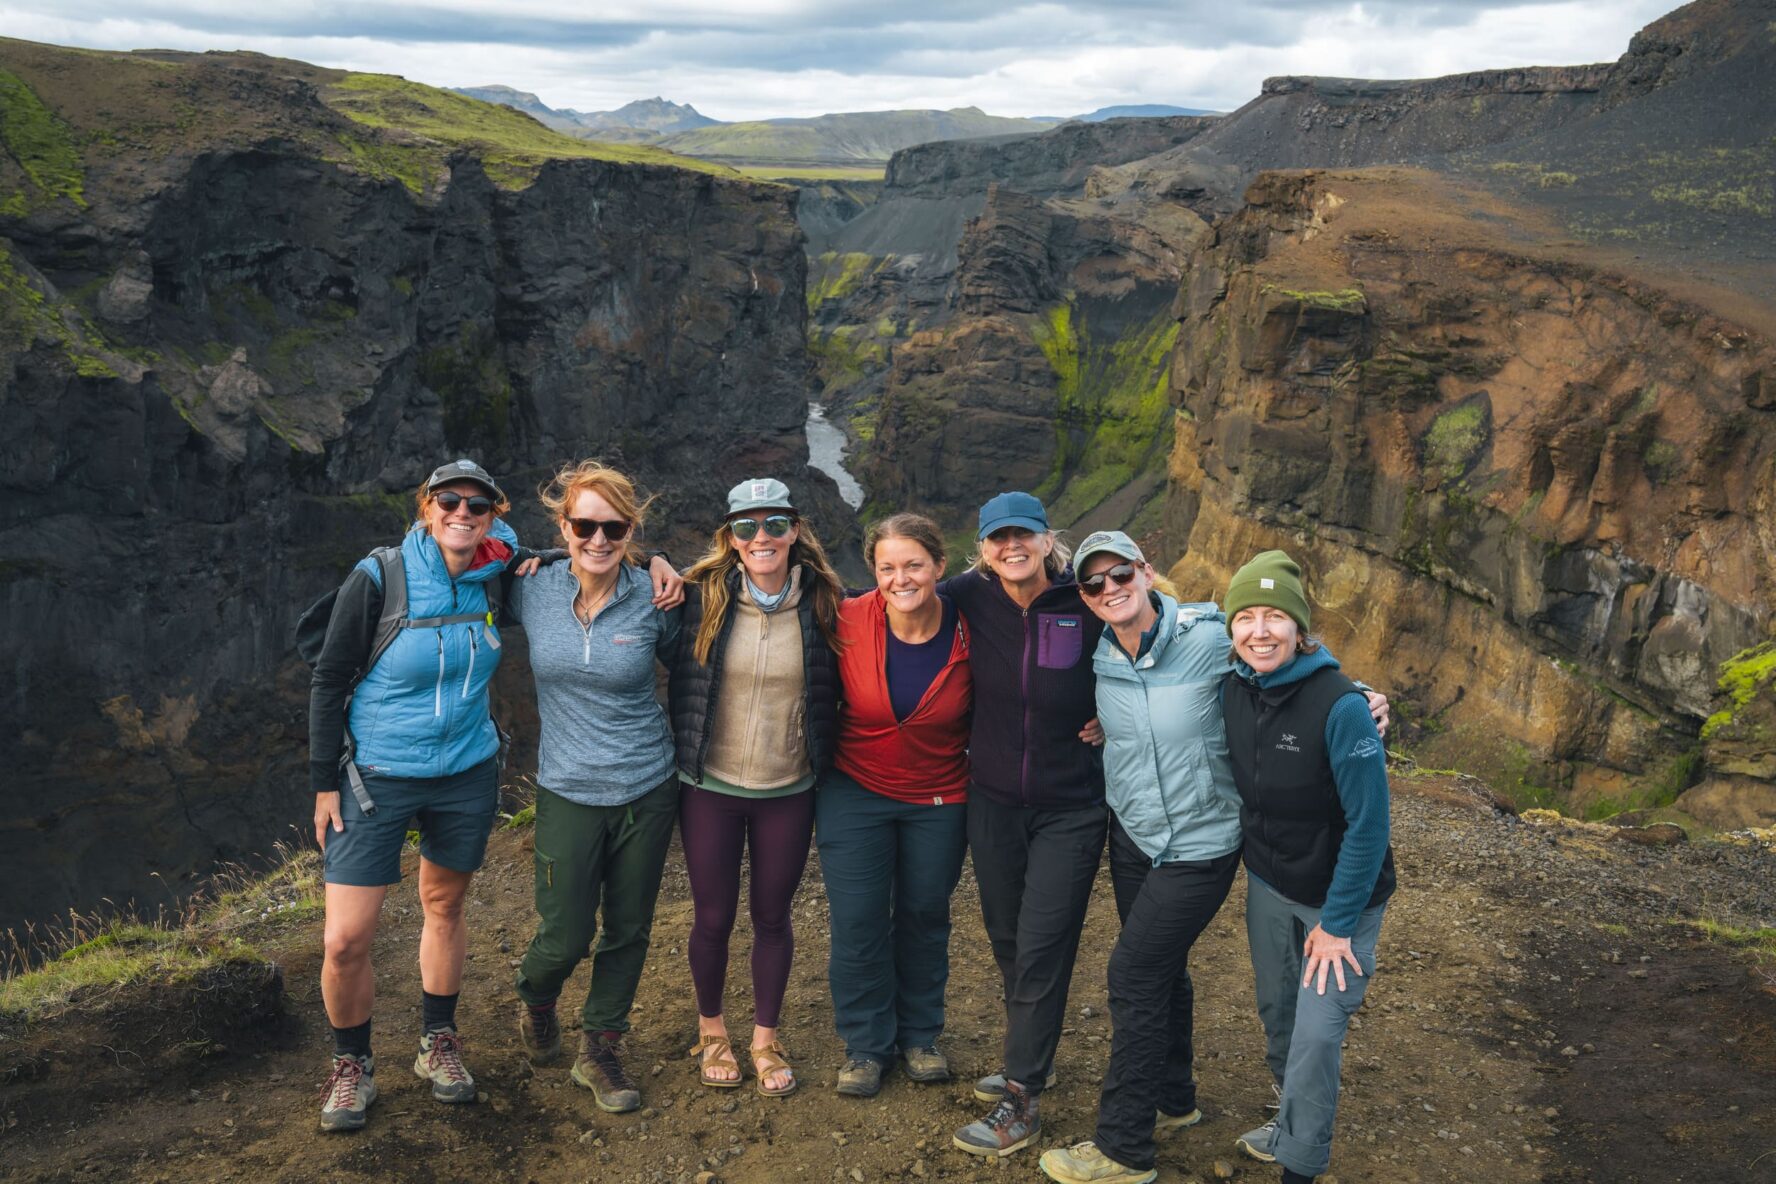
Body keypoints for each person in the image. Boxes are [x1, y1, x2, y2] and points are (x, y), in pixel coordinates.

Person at [1037, 535, 1390, 1184]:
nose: (1109, 589)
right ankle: (1173, 1101)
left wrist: (1360, 695)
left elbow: (1293, 665)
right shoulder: (1097, 651)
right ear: (1084, 597)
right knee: (1165, 974)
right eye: (1093, 584)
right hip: (1137, 842)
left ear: (1145, 573)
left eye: (1120, 574)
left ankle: (1123, 1149)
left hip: (1201, 850)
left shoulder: (1205, 637)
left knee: (1133, 975)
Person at [306, 459, 543, 1132]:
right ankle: (352, 1064)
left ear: (494, 515)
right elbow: (328, 678)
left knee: (445, 903)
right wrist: (324, 782)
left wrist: (663, 564)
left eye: (477, 504)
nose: (462, 513)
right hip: (375, 775)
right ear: (426, 507)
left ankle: (437, 1041)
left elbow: (573, 556)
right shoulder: (380, 575)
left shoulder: (496, 572)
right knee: (346, 938)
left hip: (465, 771)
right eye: (449, 501)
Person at [509, 460, 686, 1114]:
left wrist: (664, 563)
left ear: (632, 529)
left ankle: (600, 1047)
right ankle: (536, 996)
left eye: (616, 527)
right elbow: (468, 558)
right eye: (585, 525)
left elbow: (695, 667)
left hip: (646, 785)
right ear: (564, 527)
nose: (600, 539)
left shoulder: (655, 597)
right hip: (567, 789)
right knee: (565, 933)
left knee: (630, 927)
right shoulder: (530, 587)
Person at [1220, 551, 1395, 1184]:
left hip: (1339, 900)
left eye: (1275, 617)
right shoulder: (1233, 683)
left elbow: (1370, 824)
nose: (1260, 631)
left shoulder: (1342, 705)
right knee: (1279, 1014)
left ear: (1301, 629)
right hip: (1269, 882)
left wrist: (1339, 923)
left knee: (1318, 1034)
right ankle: (1289, 1117)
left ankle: (1300, 1164)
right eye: (1246, 617)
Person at [940, 492, 1105, 1158]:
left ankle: (1022, 1095)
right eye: (997, 538)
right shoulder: (969, 596)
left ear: (1046, 540)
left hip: (1073, 805)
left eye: (1023, 536)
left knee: (1041, 943)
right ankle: (1032, 1053)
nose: (1011, 547)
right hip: (994, 800)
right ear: (982, 547)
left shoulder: (1085, 599)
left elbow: (1165, 631)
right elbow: (894, 592)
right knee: (1007, 934)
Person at [668, 478, 845, 1097]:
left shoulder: (825, 603)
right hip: (710, 786)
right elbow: (614, 570)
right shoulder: (698, 598)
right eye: (746, 527)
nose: (761, 537)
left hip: (788, 788)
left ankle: (765, 1039)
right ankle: (712, 1030)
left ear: (795, 530)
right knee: (713, 916)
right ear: (730, 538)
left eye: (774, 524)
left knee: (773, 917)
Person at [819, 513, 972, 1099]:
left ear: (939, 565)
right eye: (887, 567)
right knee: (858, 923)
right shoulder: (848, 617)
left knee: (924, 916)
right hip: (855, 791)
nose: (901, 578)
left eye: (913, 565)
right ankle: (865, 1045)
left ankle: (920, 1037)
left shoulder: (970, 624)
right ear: (872, 572)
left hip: (940, 794)